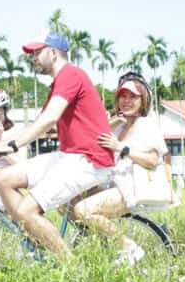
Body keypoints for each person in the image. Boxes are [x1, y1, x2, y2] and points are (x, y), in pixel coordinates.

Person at [0, 32, 114, 258]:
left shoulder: (71, 74)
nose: (33, 58)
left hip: (88, 159)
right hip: (69, 156)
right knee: (3, 178)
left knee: (26, 209)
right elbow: (41, 123)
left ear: (53, 53)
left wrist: (12, 145)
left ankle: (73, 272)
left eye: (37, 53)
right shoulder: (58, 84)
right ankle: (35, 236)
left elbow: (50, 118)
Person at [71, 71, 170, 265]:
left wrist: (121, 148)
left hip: (131, 189)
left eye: (133, 96)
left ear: (143, 100)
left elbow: (152, 160)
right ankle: (97, 240)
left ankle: (128, 247)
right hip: (111, 185)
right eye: (123, 96)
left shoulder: (146, 125)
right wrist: (107, 124)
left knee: (82, 209)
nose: (127, 100)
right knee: (65, 200)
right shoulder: (118, 126)